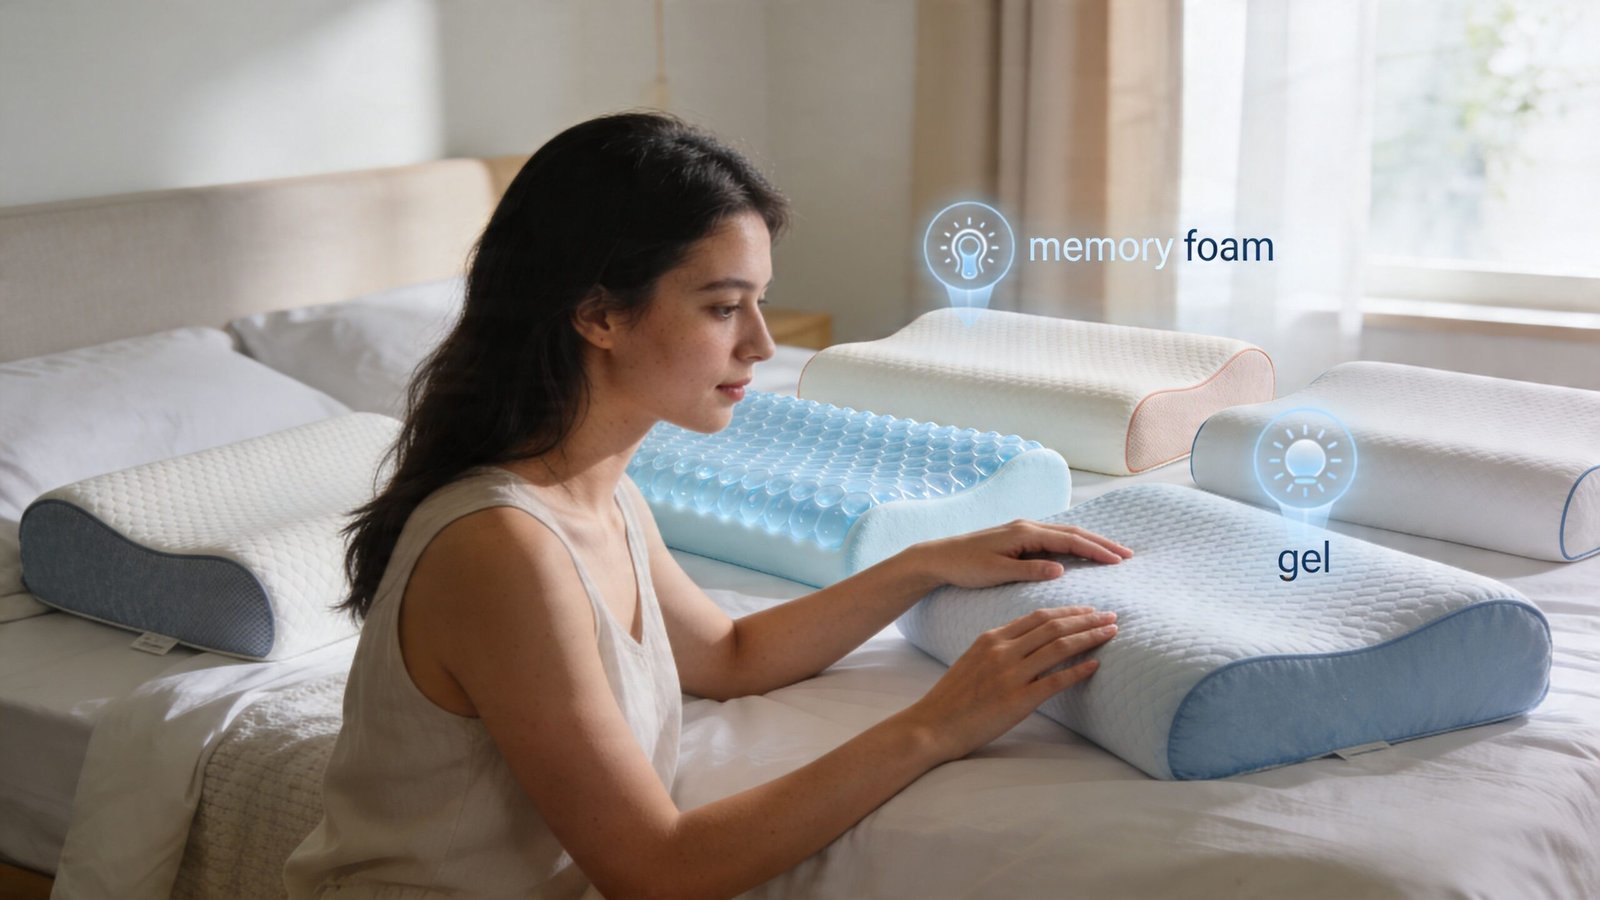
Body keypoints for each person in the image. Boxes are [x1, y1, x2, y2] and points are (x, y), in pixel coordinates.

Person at [282, 110, 1131, 900]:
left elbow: (729, 654)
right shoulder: (501, 548)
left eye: (758, 302)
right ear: (598, 314)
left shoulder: (601, 498)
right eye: (724, 307)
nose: (762, 344)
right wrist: (939, 724)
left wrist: (919, 565)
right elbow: (656, 869)